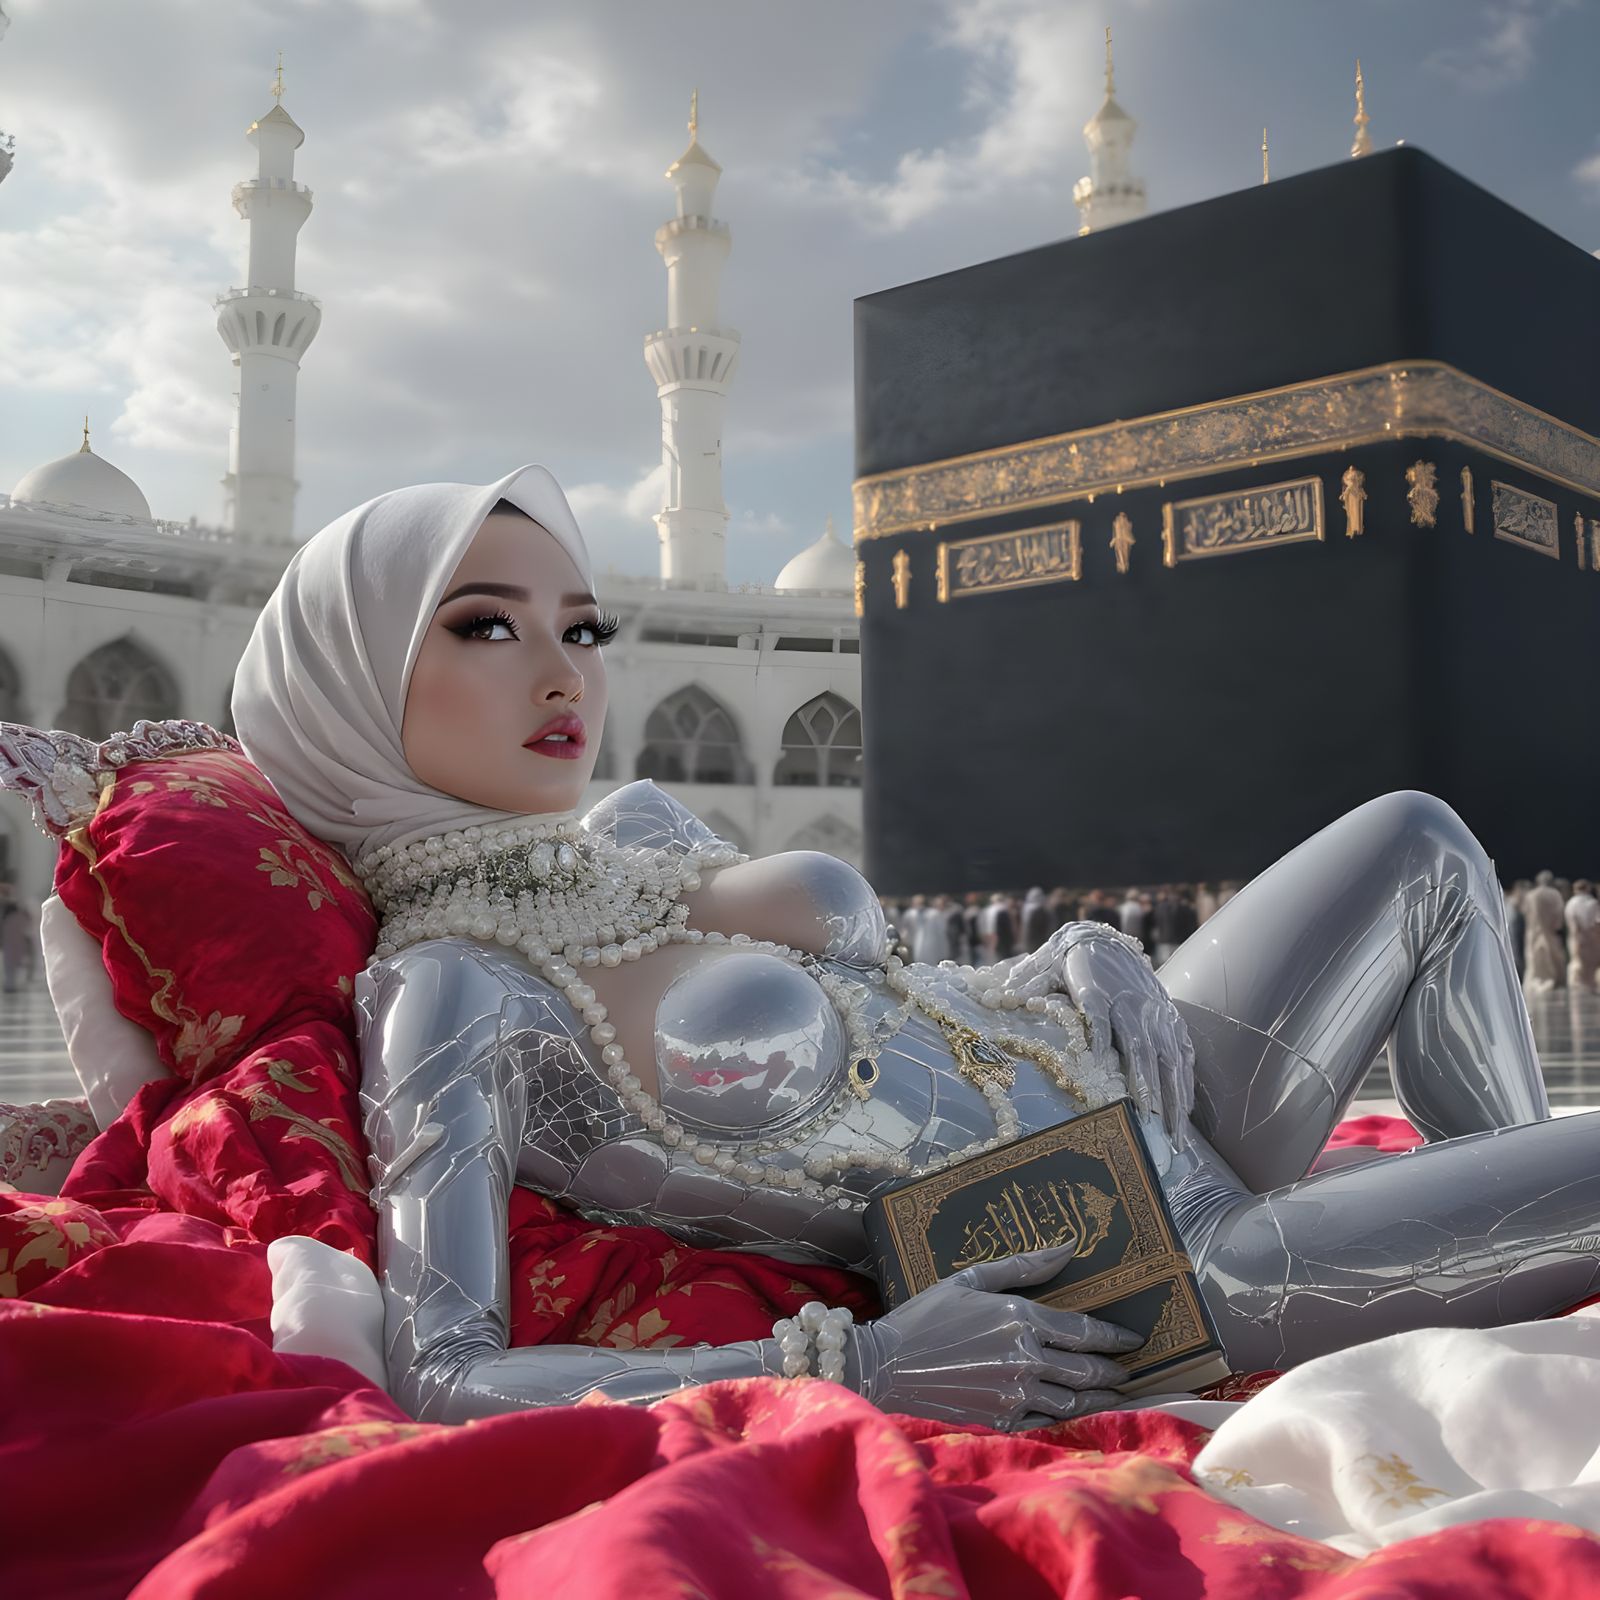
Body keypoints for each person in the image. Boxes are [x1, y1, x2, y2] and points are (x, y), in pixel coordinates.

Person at [232, 465, 1600, 1434]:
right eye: (485, 625)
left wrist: (1065, 958)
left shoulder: (639, 836)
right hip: (1157, 1257)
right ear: (344, 680)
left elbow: (891, 1010)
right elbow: (445, 1372)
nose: (562, 674)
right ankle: (1502, 1257)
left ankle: (1517, 1302)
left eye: (579, 628)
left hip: (1157, 1073)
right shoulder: (456, 990)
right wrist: (861, 1363)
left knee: (1419, 840)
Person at [1523, 870, 1566, 995]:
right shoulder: (1554, 894)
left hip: (1533, 933)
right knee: (1552, 958)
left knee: (1535, 960)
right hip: (1550, 933)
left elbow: (1526, 913)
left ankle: (1537, 982)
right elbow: (1558, 915)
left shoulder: (1530, 895)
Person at [1566, 880, 1600, 993]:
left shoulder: (1570, 903)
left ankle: (1578, 988)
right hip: (1591, 938)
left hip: (1574, 937)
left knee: (1577, 962)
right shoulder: (1592, 903)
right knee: (1590, 966)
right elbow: (1597, 922)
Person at [0, 899, 31, 993]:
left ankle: (11, 985)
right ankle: (13, 985)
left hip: (9, 946)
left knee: (9, 967)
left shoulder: (7, 920)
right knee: (16, 966)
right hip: (17, 945)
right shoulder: (19, 918)